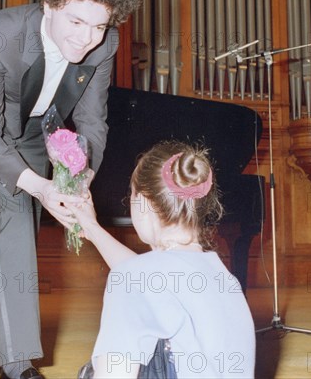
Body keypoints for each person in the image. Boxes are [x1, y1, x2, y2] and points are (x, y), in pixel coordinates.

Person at [0, 0, 142, 379]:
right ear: (49, 4)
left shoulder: (106, 45)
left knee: (23, 215)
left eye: (99, 26)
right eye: (76, 22)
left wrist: (81, 177)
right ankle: (16, 365)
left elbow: (90, 120)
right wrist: (41, 186)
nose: (87, 39)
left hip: (32, 117)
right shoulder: (0, 34)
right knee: (14, 209)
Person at [68, 141, 256, 378]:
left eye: (132, 194)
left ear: (144, 203)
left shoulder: (135, 278)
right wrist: (91, 227)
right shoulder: (223, 277)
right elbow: (148, 279)